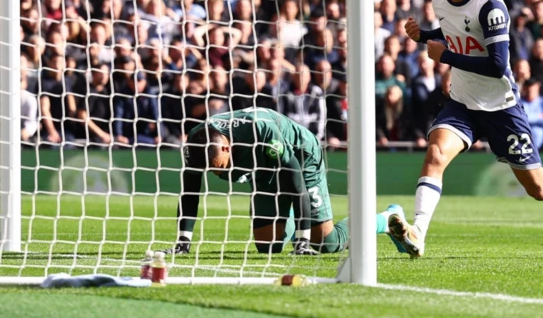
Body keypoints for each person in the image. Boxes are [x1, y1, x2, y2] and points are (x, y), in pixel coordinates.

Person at [389, 0, 543, 259]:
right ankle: (418, 233)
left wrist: (447, 58)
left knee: (541, 190)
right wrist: (424, 36)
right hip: (462, 102)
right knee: (435, 154)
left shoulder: (491, 6)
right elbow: (452, 33)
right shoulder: (439, 0)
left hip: (501, 107)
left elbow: (497, 65)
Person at [164, 107, 406, 255]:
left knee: (326, 243)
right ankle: (290, 217)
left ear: (227, 147)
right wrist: (183, 240)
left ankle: (386, 219)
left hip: (300, 157)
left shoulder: (260, 131)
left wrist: (302, 240)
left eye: (219, 167)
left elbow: (295, 180)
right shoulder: (196, 143)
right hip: (264, 167)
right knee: (268, 246)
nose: (218, 174)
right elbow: (189, 192)